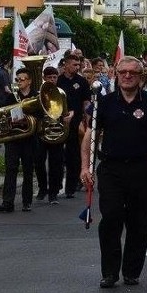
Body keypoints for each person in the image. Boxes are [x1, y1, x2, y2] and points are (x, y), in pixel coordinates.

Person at [81, 56, 147, 288]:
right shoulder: (105, 102)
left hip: (141, 167)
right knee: (111, 216)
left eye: (132, 72)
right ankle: (110, 272)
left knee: (138, 220)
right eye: (123, 72)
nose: (127, 76)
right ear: (116, 74)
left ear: (141, 76)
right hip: (111, 168)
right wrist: (84, 166)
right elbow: (90, 135)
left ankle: (131, 271)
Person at [0, 68, 38, 213]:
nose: (19, 82)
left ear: (29, 81)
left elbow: (40, 116)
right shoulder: (12, 97)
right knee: (10, 169)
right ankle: (8, 202)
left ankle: (27, 202)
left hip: (29, 139)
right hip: (13, 138)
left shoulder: (36, 97)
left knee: (28, 170)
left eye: (22, 79)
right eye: (17, 79)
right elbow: (4, 114)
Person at [57, 53, 90, 198]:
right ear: (66, 64)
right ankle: (55, 185)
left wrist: (87, 120)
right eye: (74, 65)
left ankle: (71, 186)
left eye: (78, 65)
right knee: (57, 154)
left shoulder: (82, 81)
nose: (77, 67)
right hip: (58, 121)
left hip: (75, 122)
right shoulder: (58, 81)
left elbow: (86, 102)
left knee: (73, 154)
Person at [35, 66, 66, 204]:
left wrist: (67, 118)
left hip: (56, 132)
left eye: (55, 77)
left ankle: (53, 193)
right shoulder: (39, 93)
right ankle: (42, 188)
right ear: (44, 78)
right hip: (41, 131)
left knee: (56, 163)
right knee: (39, 161)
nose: (53, 80)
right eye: (50, 78)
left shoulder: (61, 93)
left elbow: (65, 112)